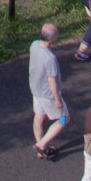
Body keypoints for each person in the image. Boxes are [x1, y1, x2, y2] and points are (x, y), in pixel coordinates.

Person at [28, 20, 66, 159]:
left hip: (35, 90)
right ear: (52, 38)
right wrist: (57, 99)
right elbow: (52, 80)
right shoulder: (50, 58)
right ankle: (41, 144)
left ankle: (41, 149)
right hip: (47, 95)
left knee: (39, 117)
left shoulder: (34, 45)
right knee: (63, 119)